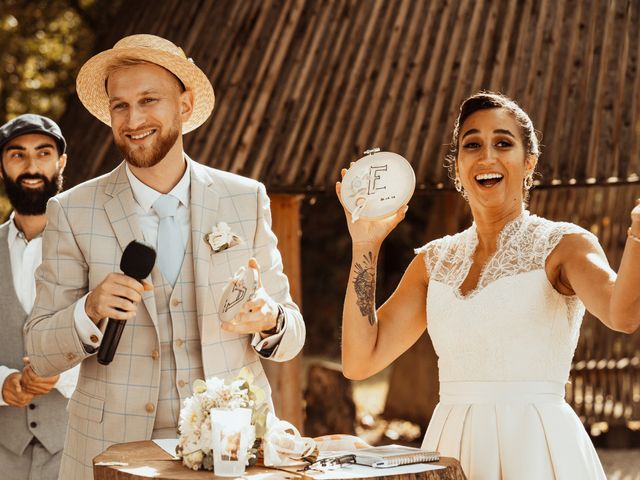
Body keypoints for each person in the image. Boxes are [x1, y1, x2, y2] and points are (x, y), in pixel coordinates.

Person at [24, 34, 305, 480]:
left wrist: (271, 320)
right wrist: (89, 309)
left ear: (185, 104)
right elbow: (39, 352)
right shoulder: (72, 211)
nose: (133, 119)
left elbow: (292, 337)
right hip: (110, 455)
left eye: (148, 100)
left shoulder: (244, 199)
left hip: (231, 452)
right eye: (120, 105)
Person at [337, 92, 640, 479]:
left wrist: (637, 233)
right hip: (452, 448)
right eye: (472, 145)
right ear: (458, 167)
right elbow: (360, 361)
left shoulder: (564, 246)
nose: (487, 157)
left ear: (529, 162)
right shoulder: (433, 262)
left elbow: (624, 315)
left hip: (538, 449)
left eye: (503, 143)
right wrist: (365, 244)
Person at [0, 114, 79, 479]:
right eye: (17, 155)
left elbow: (124, 342)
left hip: (74, 446)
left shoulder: (92, 247)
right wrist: (2, 383)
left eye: (43, 153)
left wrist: (59, 375)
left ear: (61, 162)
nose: (31, 167)